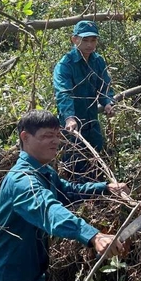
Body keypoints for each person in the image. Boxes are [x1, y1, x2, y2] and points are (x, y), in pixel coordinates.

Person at [0, 110, 128, 281]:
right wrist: (92, 235)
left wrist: (104, 188)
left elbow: (68, 192)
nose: (55, 141)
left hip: (33, 276)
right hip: (5, 280)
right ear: (25, 137)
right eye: (47, 135)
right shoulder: (22, 180)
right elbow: (49, 211)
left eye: (57, 135)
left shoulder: (44, 171)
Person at [53, 20, 115, 178]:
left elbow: (104, 86)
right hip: (72, 125)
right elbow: (63, 93)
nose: (89, 44)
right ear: (74, 39)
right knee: (75, 163)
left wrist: (107, 102)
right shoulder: (65, 65)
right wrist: (69, 117)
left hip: (92, 121)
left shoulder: (98, 61)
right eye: (85, 40)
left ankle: (99, 195)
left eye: (93, 40)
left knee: (97, 158)